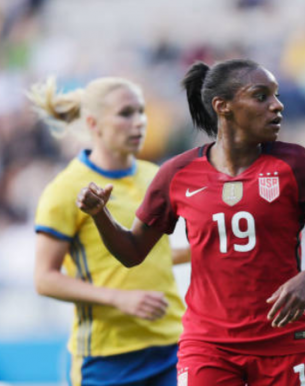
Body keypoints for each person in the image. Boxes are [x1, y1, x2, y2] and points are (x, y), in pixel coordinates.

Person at [76, 59, 305, 385]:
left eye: (276, 95)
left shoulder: (297, 165)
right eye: (261, 96)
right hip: (208, 346)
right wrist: (100, 215)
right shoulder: (177, 174)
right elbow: (132, 252)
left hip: (282, 341)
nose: (277, 106)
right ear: (223, 107)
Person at [29, 76, 187, 386]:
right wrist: (119, 298)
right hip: (107, 357)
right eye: (126, 114)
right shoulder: (65, 190)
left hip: (172, 345)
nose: (139, 122)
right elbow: (44, 278)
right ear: (93, 123)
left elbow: (153, 255)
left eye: (141, 112)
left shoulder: (156, 177)